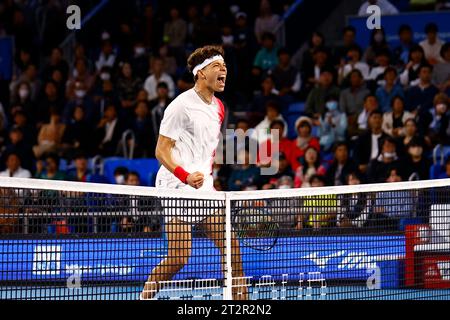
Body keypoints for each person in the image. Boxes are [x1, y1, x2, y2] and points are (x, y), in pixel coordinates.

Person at [141, 45, 246, 300]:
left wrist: (212, 173)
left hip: (202, 185)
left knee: (232, 247)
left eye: (224, 66)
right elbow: (161, 150)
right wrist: (184, 175)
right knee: (179, 257)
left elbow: (204, 147)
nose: (224, 70)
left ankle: (239, 302)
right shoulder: (180, 106)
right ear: (200, 73)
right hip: (176, 184)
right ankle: (144, 297)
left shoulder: (219, 107)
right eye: (216, 66)